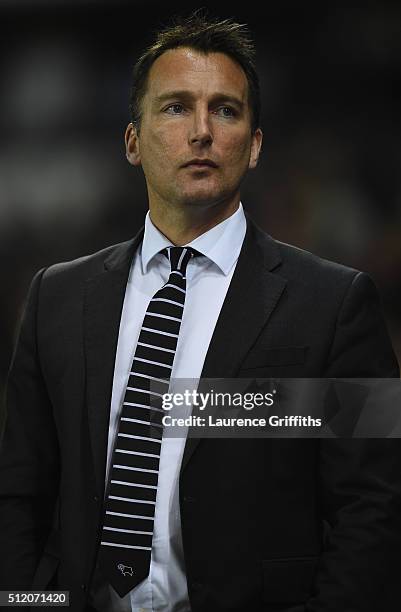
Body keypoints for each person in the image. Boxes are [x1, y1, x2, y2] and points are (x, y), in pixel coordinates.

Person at [0, 11, 400, 612]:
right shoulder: (57, 296)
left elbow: (374, 505)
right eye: (176, 107)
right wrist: (33, 605)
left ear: (256, 145)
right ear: (132, 141)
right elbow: (19, 495)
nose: (203, 131)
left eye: (227, 110)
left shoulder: (335, 303)